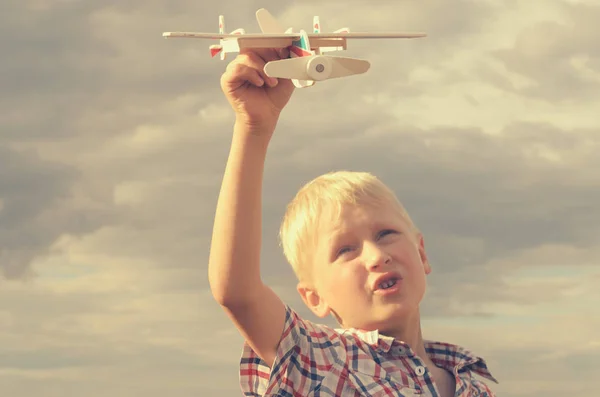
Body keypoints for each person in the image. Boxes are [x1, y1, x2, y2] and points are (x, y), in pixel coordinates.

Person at [208, 47, 498, 396]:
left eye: (386, 233)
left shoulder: (469, 379)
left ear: (422, 253)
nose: (377, 256)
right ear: (314, 298)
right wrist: (253, 127)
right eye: (345, 250)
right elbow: (236, 292)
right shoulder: (321, 360)